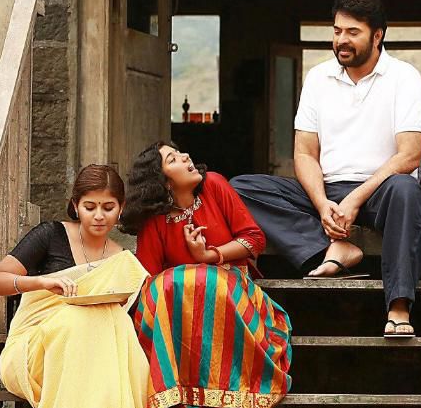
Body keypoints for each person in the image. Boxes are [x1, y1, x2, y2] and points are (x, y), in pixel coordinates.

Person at [231, 0, 421, 338]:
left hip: (382, 190)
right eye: (337, 31)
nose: (341, 40)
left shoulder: (404, 76)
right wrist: (322, 204)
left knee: (408, 190)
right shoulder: (318, 77)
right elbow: (305, 154)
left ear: (377, 36)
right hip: (328, 190)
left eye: (352, 32)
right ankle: (330, 250)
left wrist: (356, 199)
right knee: (241, 188)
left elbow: (410, 155)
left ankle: (398, 305)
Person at [120, 142, 292, 408]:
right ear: (164, 182)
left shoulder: (214, 184)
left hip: (233, 294)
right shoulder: (154, 218)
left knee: (208, 281)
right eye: (173, 159)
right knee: (167, 285)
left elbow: (254, 239)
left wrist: (209, 256)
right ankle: (176, 389)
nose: (185, 156)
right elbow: (148, 281)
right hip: (183, 314)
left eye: (180, 152)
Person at [0, 164, 149, 408]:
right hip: (37, 351)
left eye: (108, 208)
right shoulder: (50, 235)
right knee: (76, 319)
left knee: (115, 318)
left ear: (121, 208)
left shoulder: (122, 260)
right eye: (89, 207)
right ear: (75, 205)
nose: (99, 216)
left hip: (95, 356)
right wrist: (41, 282)